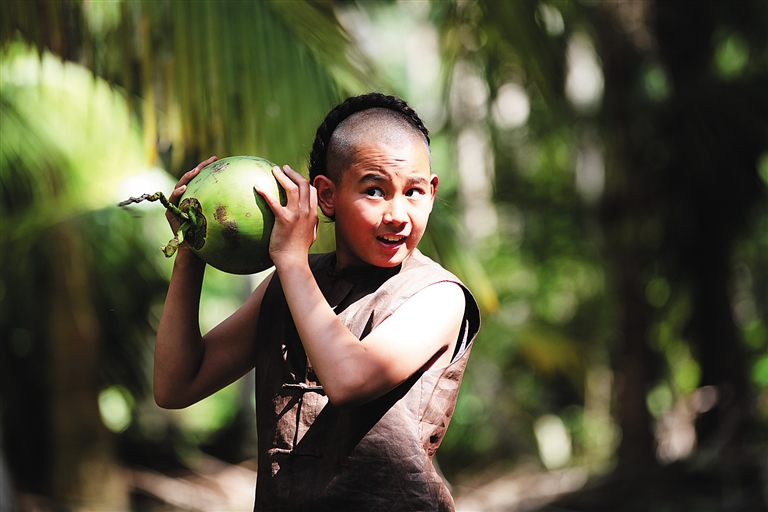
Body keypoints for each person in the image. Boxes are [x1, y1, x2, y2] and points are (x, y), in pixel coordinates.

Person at [154, 92, 481, 511]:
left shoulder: (437, 295)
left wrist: (291, 261)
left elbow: (348, 378)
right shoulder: (287, 286)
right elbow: (176, 385)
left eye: (414, 191)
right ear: (326, 195)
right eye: (375, 191)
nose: (398, 215)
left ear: (432, 192)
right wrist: (190, 250)